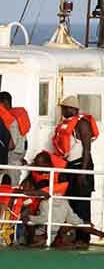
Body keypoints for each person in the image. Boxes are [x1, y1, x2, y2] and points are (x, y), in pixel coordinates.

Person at [53, 96, 98, 224]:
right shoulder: (65, 124)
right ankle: (71, 233)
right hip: (70, 167)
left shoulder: (82, 124)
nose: (63, 111)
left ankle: (83, 234)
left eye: (65, 108)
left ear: (73, 109)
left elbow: (87, 150)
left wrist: (83, 173)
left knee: (82, 205)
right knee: (71, 203)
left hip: (81, 166)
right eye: (62, 108)